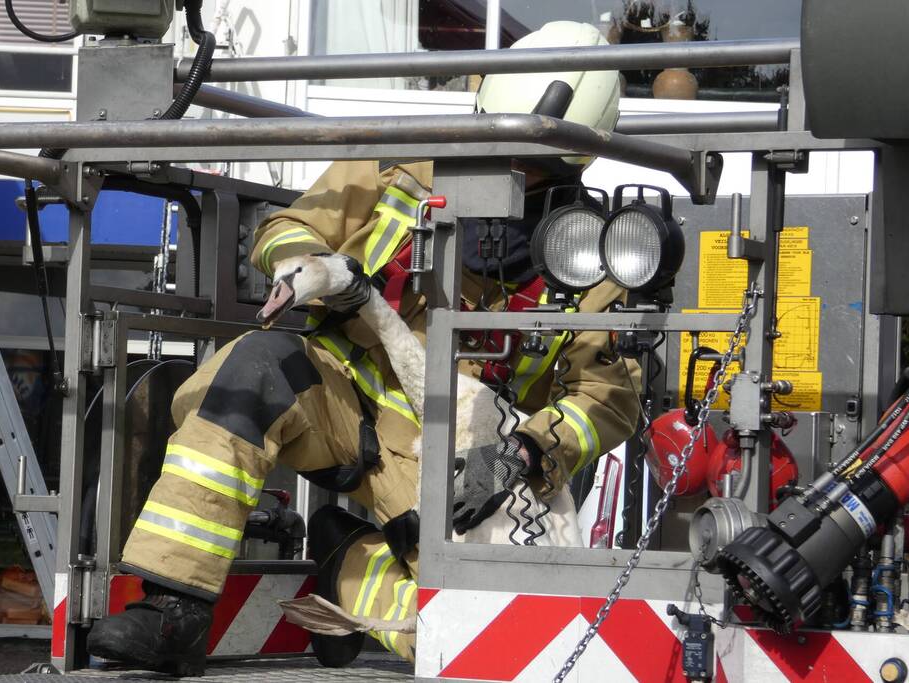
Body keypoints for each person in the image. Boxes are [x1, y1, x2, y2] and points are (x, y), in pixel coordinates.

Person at [87, 20, 641, 675]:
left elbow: (608, 398)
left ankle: (347, 560)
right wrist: (315, 268)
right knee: (246, 376)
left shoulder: (591, 261)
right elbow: (284, 229)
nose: (512, 173)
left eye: (536, 165)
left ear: (576, 163)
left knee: (476, 634)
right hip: (341, 394)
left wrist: (530, 446)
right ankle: (172, 610)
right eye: (502, 144)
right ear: (481, 107)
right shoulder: (395, 166)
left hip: (463, 453)